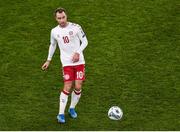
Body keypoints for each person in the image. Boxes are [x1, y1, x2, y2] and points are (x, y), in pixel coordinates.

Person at [41, 7, 88, 123]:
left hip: (79, 62)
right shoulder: (54, 31)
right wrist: (48, 60)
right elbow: (52, 45)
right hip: (66, 63)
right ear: (55, 19)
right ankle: (60, 114)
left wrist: (78, 52)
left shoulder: (76, 27)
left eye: (63, 17)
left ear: (66, 16)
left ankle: (72, 108)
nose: (62, 20)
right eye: (59, 18)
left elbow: (85, 41)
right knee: (67, 86)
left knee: (78, 86)